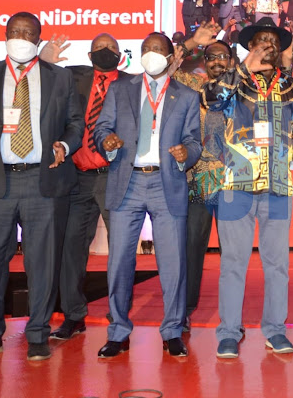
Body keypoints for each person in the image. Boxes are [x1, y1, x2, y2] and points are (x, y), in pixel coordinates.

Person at [0, 12, 84, 362]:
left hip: (43, 181)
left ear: (38, 39)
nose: (20, 36)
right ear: (5, 35)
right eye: (15, 31)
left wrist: (65, 146)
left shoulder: (60, 78)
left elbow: (75, 124)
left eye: (27, 32)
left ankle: (38, 333)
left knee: (42, 262)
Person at [202, 17, 293, 359]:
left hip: (278, 185)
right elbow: (212, 100)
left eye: (272, 41)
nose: (267, 45)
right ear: (250, 46)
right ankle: (228, 333)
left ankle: (275, 330)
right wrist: (243, 68)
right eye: (260, 40)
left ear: (280, 49)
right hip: (236, 184)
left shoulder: (291, 87)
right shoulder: (231, 80)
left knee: (277, 264)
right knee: (233, 262)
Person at [92, 32, 201, 358]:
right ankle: (118, 332)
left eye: (157, 50)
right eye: (146, 49)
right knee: (119, 262)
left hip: (167, 182)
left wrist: (187, 154)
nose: (150, 54)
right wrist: (106, 142)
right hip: (128, 182)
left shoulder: (186, 95)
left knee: (172, 264)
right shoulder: (120, 88)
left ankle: (172, 331)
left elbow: (194, 140)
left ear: (169, 57)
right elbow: (101, 129)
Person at [36, 32, 131, 341]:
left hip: (114, 176)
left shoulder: (132, 83)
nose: (106, 52)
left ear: (121, 55)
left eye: (112, 48)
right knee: (71, 250)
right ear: (89, 56)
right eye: (100, 48)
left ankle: (119, 313)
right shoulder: (71, 77)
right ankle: (74, 316)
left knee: (121, 248)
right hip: (77, 176)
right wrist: (43, 61)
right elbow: (37, 81)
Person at [172, 25, 231, 332]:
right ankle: (185, 311)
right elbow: (168, 67)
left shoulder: (242, 88)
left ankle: (231, 317)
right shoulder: (191, 84)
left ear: (232, 62)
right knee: (191, 248)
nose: (217, 61)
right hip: (197, 182)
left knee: (232, 252)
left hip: (234, 184)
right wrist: (193, 42)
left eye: (223, 56)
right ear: (204, 61)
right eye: (211, 56)